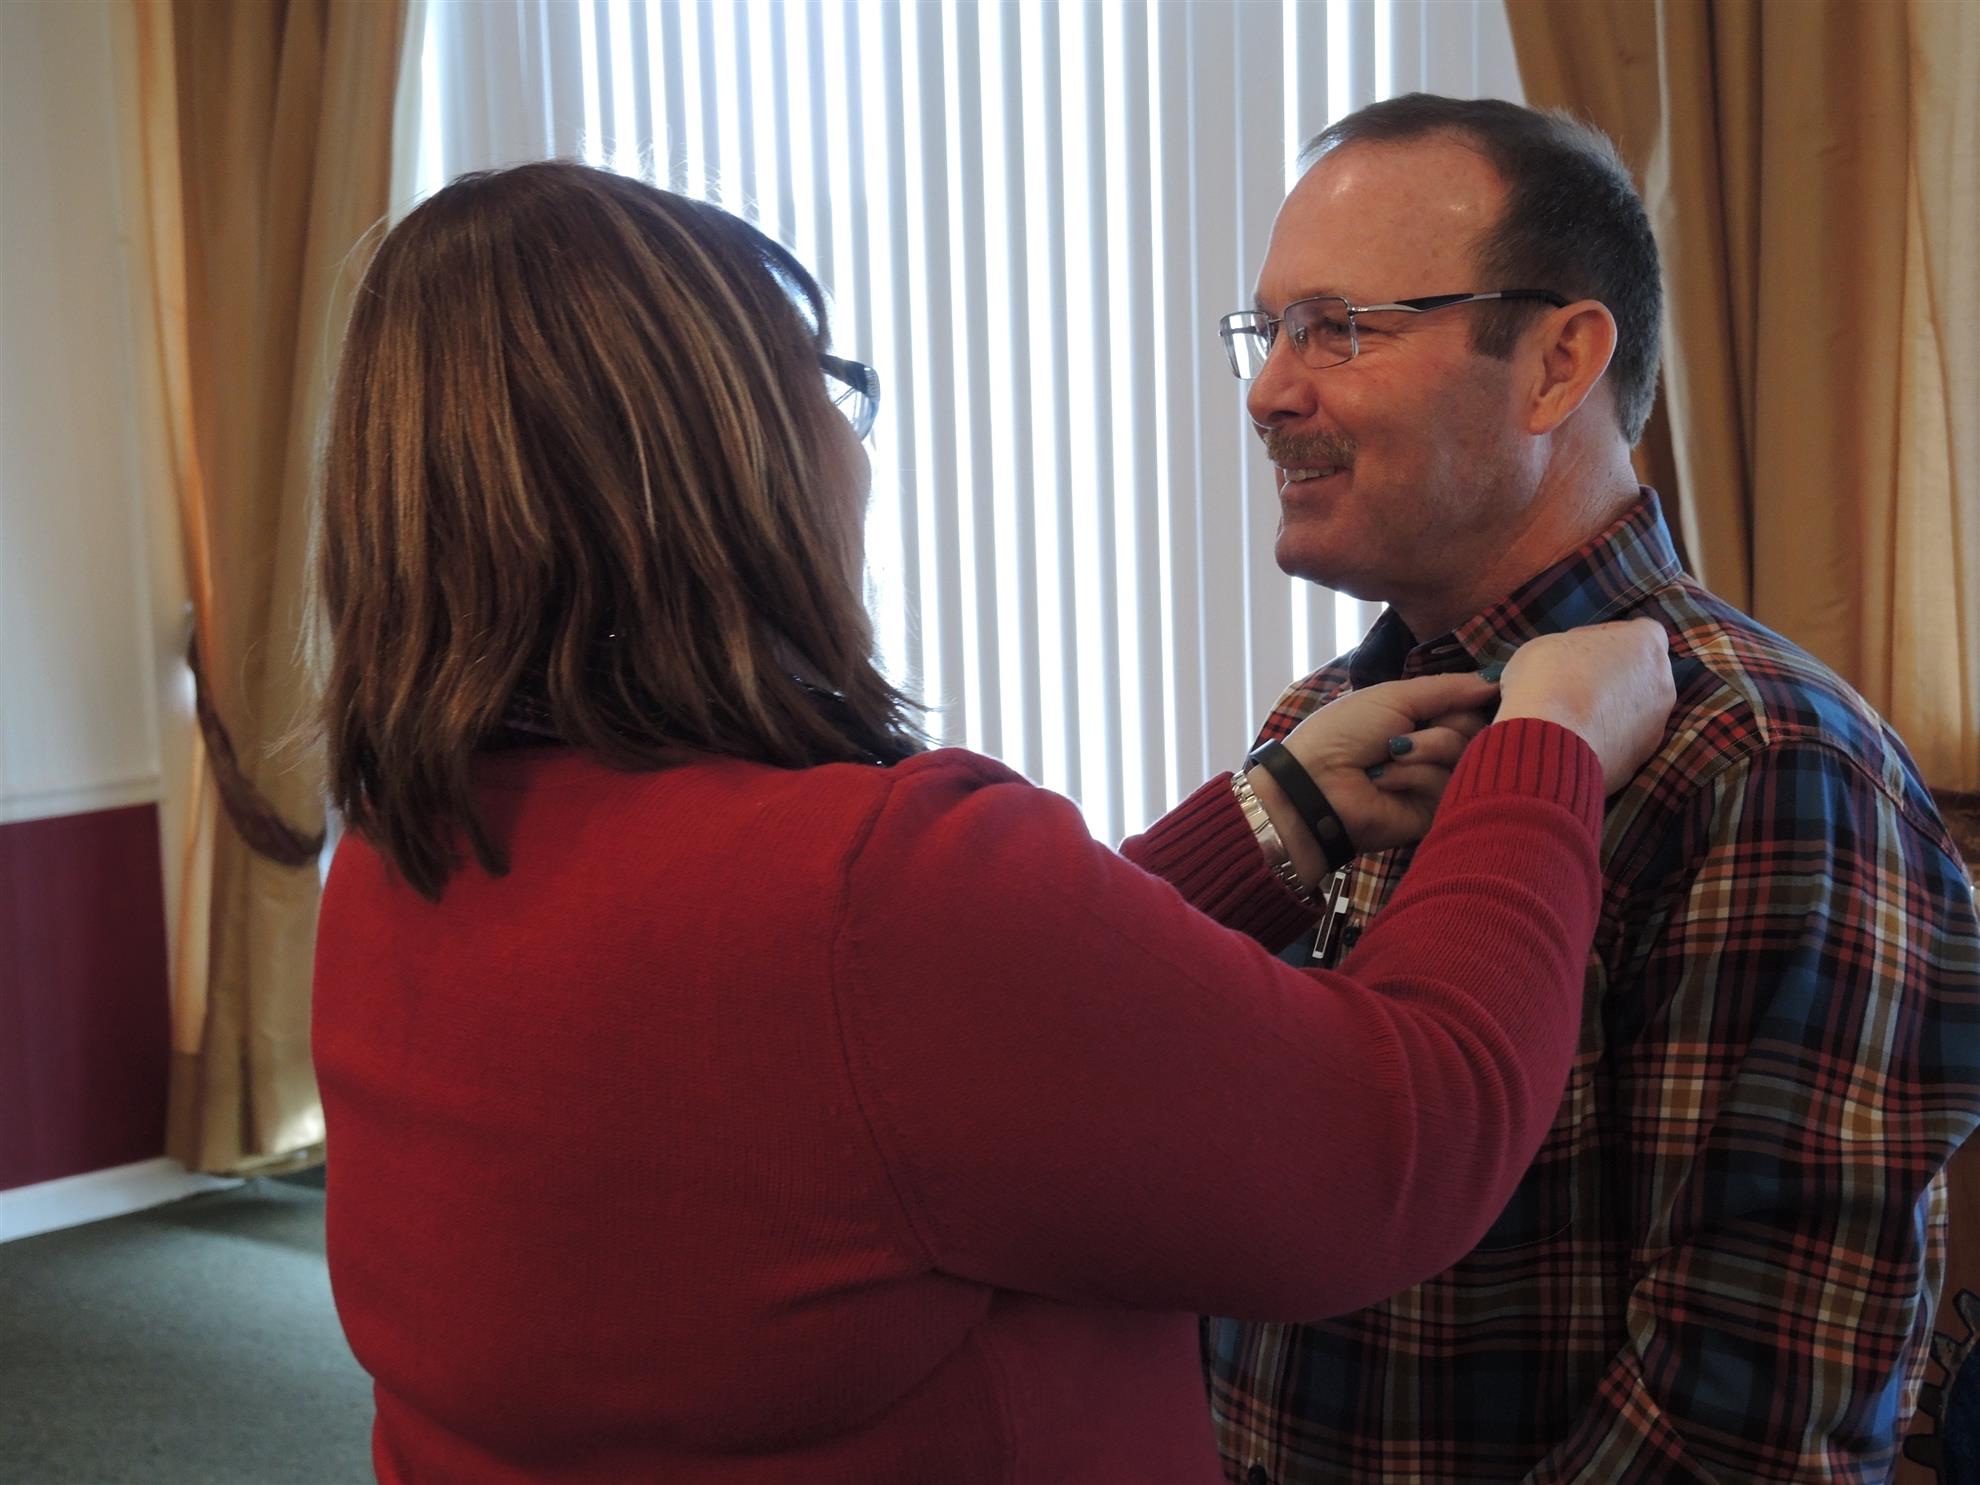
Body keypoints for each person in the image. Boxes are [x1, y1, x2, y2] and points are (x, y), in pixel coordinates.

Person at [307, 161, 1675, 1484]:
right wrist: (1546, 752)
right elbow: (1404, 1140)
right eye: (824, 386)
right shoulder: (868, 892)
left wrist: (1276, 817)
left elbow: (939, 1064)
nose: (1268, 390)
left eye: (1340, 327)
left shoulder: (395, 859)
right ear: (729, 458)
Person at [1206, 93, 1980, 1483]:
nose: (1270, 389)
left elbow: (1738, 1429)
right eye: (1265, 331)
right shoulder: (1318, 734)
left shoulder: (1769, 767)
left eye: (1338, 327)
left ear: (1559, 364)